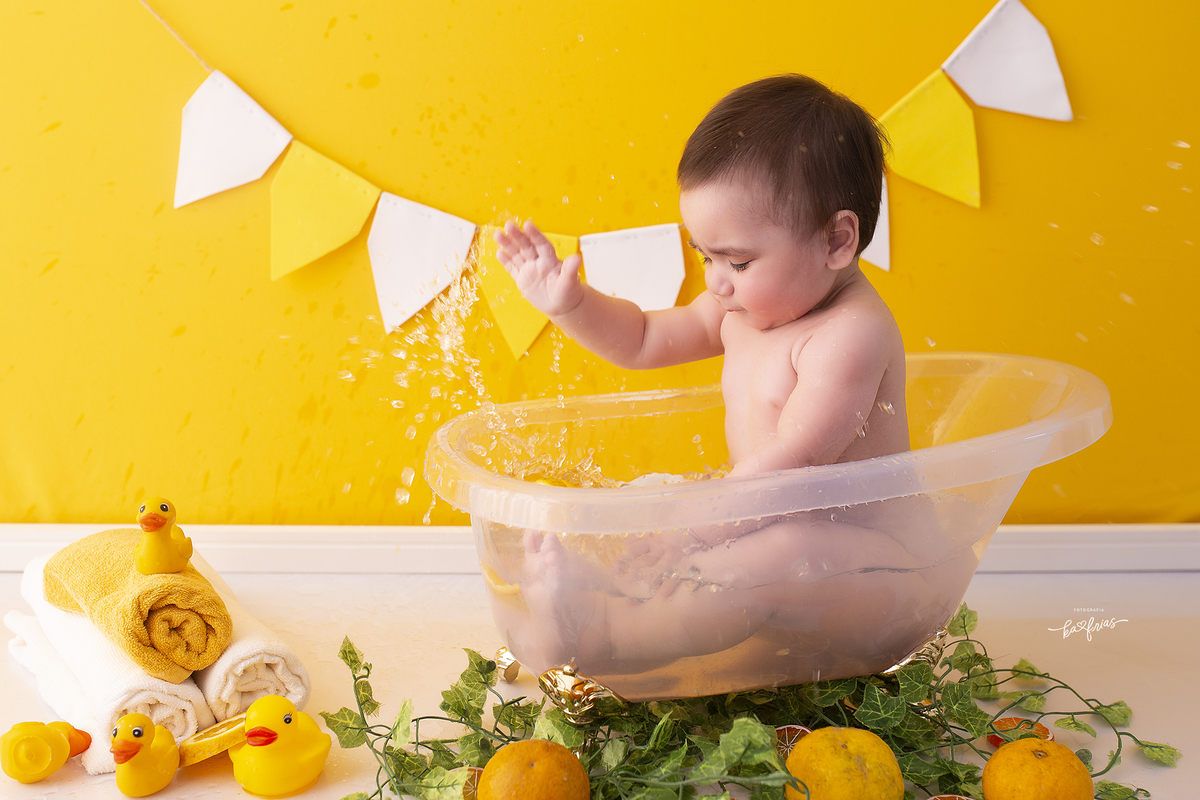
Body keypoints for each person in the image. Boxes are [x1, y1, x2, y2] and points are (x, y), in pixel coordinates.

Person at [491, 75, 933, 681]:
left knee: (778, 550)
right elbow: (644, 340)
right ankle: (592, 594)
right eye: (705, 255)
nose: (716, 282)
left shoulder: (849, 336)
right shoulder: (745, 307)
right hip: (771, 530)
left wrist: (692, 532)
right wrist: (569, 307)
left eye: (739, 261)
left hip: (885, 582)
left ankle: (603, 636)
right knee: (657, 497)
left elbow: (793, 466)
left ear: (836, 239)